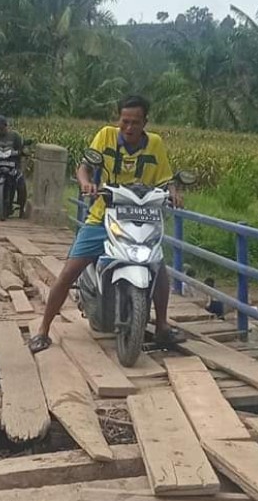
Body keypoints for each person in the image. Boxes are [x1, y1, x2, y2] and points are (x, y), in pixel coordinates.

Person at [28, 95, 185, 353]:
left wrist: (174, 192)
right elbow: (83, 167)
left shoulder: (155, 144)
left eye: (135, 122)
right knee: (70, 271)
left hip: (142, 218)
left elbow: (167, 179)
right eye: (125, 121)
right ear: (118, 120)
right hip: (104, 215)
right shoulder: (106, 136)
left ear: (145, 122)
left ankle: (162, 328)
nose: (129, 128)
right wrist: (86, 183)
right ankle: (43, 329)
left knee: (158, 268)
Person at [0, 114, 27, 216]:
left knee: (21, 183)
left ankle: (21, 209)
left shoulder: (15, 136)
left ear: (6, 126)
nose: (0, 130)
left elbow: (21, 149)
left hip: (12, 165)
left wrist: (23, 152)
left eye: (2, 128)